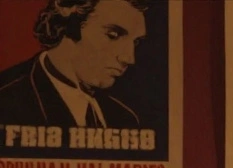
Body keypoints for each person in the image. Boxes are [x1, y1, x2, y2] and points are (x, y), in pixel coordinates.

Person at [0, 0, 147, 128]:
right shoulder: (7, 102)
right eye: (113, 35)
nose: (129, 58)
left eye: (135, 42)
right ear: (71, 22)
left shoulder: (125, 118)